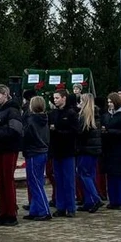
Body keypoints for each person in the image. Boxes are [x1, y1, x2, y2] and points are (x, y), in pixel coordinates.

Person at [0, 84, 23, 226]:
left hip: (9, 149)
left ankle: (11, 213)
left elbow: (15, 131)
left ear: (5, 95)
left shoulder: (13, 110)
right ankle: (3, 211)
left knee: (7, 181)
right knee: (0, 180)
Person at [49, 89, 79, 218]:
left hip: (68, 151)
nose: (55, 100)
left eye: (57, 98)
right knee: (59, 180)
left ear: (64, 98)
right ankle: (60, 206)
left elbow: (74, 132)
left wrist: (58, 131)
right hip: (56, 151)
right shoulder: (53, 113)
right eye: (54, 98)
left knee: (69, 180)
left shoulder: (71, 113)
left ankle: (71, 207)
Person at [22, 96, 51, 222]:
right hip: (42, 151)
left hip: (34, 152)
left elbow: (26, 137)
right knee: (36, 181)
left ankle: (44, 210)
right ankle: (35, 209)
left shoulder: (31, 121)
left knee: (35, 183)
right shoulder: (44, 119)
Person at [102, 92, 121, 210]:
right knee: (110, 176)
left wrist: (110, 131)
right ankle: (113, 200)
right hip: (109, 150)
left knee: (120, 177)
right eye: (108, 102)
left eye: (111, 102)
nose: (110, 104)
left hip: (120, 150)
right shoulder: (107, 116)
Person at [75, 93, 103, 214]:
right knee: (89, 174)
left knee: (84, 174)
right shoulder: (95, 115)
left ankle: (95, 198)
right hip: (94, 149)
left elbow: (80, 133)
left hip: (86, 149)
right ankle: (89, 201)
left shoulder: (84, 116)